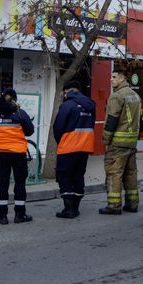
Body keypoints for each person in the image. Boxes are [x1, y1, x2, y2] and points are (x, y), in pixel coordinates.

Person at [0, 88, 34, 224]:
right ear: (14, 99)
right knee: (19, 183)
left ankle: (2, 217)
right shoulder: (20, 113)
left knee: (2, 184)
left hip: (1, 154)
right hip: (18, 154)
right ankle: (19, 215)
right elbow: (30, 131)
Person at [99, 70, 142, 215]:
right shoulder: (135, 96)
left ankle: (114, 205)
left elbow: (111, 121)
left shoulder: (116, 96)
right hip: (131, 143)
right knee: (130, 174)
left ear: (122, 79)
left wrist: (106, 140)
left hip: (117, 143)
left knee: (114, 173)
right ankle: (132, 204)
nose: (111, 80)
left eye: (114, 77)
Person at [52, 80, 96, 218]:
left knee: (63, 175)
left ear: (67, 91)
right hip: (85, 146)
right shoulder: (90, 105)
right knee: (78, 175)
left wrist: (61, 141)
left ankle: (69, 209)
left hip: (68, 146)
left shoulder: (67, 105)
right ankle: (75, 207)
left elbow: (58, 127)